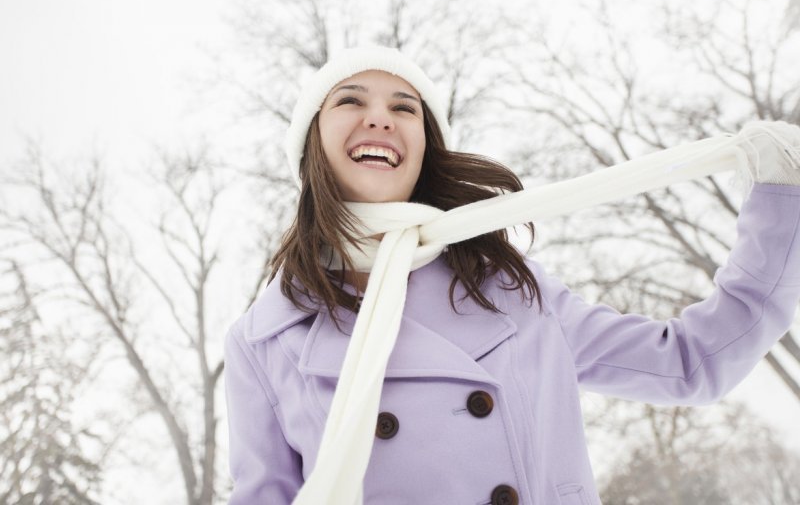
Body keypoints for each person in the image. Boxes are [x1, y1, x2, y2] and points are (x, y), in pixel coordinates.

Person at [223, 45, 800, 505]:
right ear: (311, 145)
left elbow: (688, 364)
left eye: (405, 107)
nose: (381, 116)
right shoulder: (263, 342)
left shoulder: (508, 292)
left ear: (425, 147)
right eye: (350, 100)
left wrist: (782, 202)